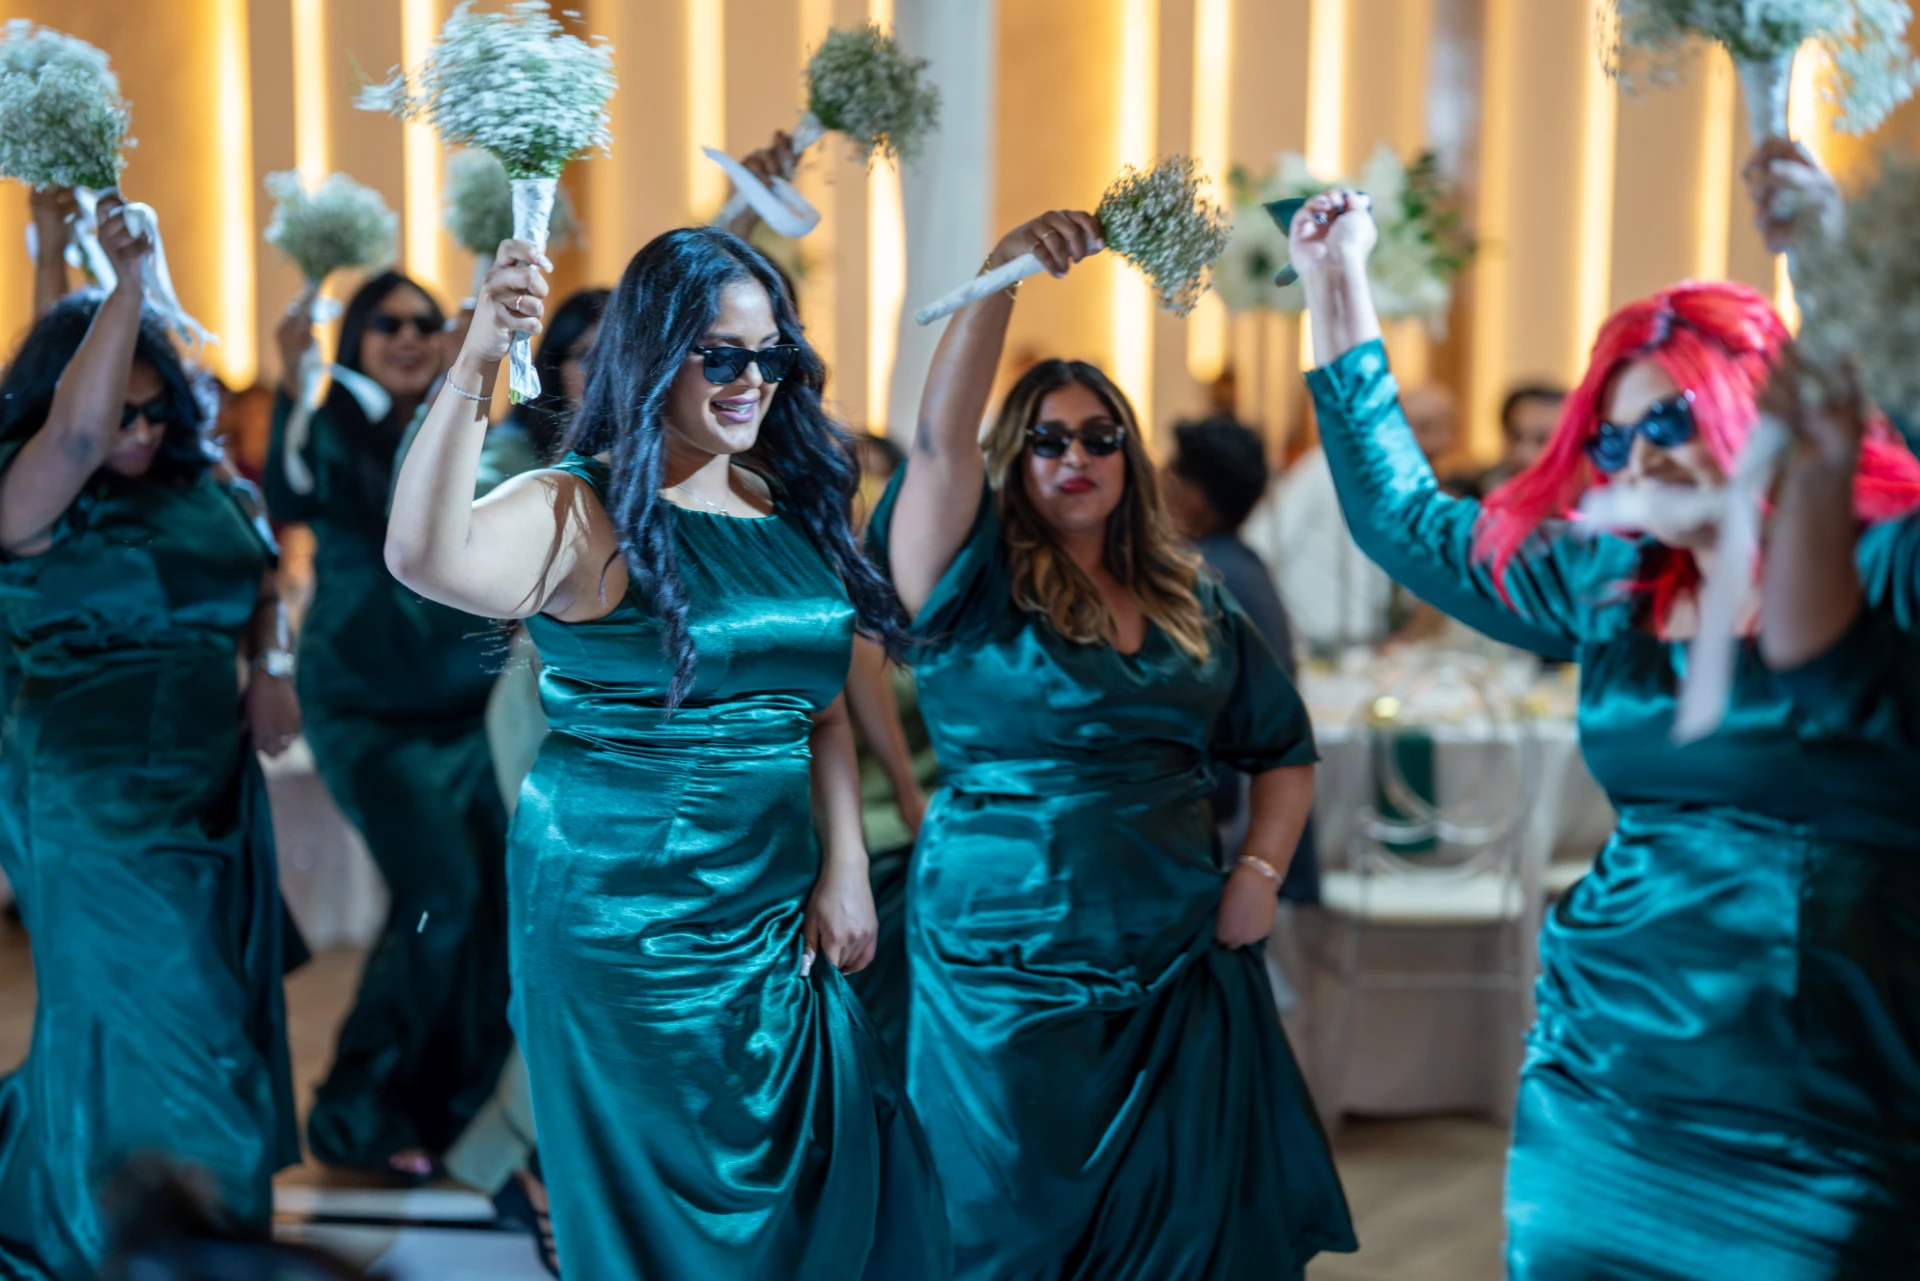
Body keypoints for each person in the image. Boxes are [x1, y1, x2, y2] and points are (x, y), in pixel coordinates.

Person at [1287, 184, 1920, 1279]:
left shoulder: (1883, 568)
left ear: (1756, 409)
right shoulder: (1610, 579)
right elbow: (1404, 521)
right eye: (1613, 438)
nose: (1637, 459)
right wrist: (1335, 281)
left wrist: (1838, 269)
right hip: (1607, 1079)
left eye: (1668, 422)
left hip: (1834, 1096)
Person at [383, 227, 948, 1280]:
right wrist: (476, 356)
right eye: (720, 355)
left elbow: (822, 709)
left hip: (774, 909)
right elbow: (421, 554)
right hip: (622, 922)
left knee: (818, 1180)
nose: (752, 381)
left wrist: (845, 867)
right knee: (670, 1219)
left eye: (770, 355)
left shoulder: (787, 499)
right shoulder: (576, 506)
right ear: (652, 355)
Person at [875, 209, 1354, 1279]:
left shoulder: (1194, 599)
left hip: (1176, 950)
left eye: (1100, 437)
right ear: (1013, 459)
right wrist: (999, 276)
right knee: (1007, 1221)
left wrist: (1259, 874)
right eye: (1047, 440)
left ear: (1132, 457)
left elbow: (1282, 748)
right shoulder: (964, 583)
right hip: (1003, 961)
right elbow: (939, 443)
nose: (1076, 457)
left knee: (1184, 1221)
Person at [0, 197, 300, 1279]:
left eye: (155, 410)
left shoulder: (199, 481)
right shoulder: (32, 496)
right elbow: (76, 433)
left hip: (210, 788)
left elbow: (260, 574)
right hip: (94, 800)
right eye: (119, 412)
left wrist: (269, 666)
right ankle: (161, 1242)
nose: (135, 432)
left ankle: (106, 1218)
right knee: (180, 1018)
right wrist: (122, 280)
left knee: (197, 1004)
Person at [263, 271, 511, 1179]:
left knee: (489, 897)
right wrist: (294, 380)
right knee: (440, 889)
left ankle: (453, 1104)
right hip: (368, 705)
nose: (407, 336)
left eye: (423, 321)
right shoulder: (326, 423)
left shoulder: (471, 421)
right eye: (386, 323)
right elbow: (291, 497)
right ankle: (355, 1109)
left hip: (468, 703)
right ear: (356, 337)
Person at [1163, 414, 1318, 901]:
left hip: (1230, 824)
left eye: (1167, 479)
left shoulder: (1202, 579)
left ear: (1193, 498)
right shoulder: (1243, 564)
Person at [1462, 383, 1566, 498]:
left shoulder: (1577, 501)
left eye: (1542, 440)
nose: (1523, 453)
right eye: (1515, 437)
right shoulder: (1470, 492)